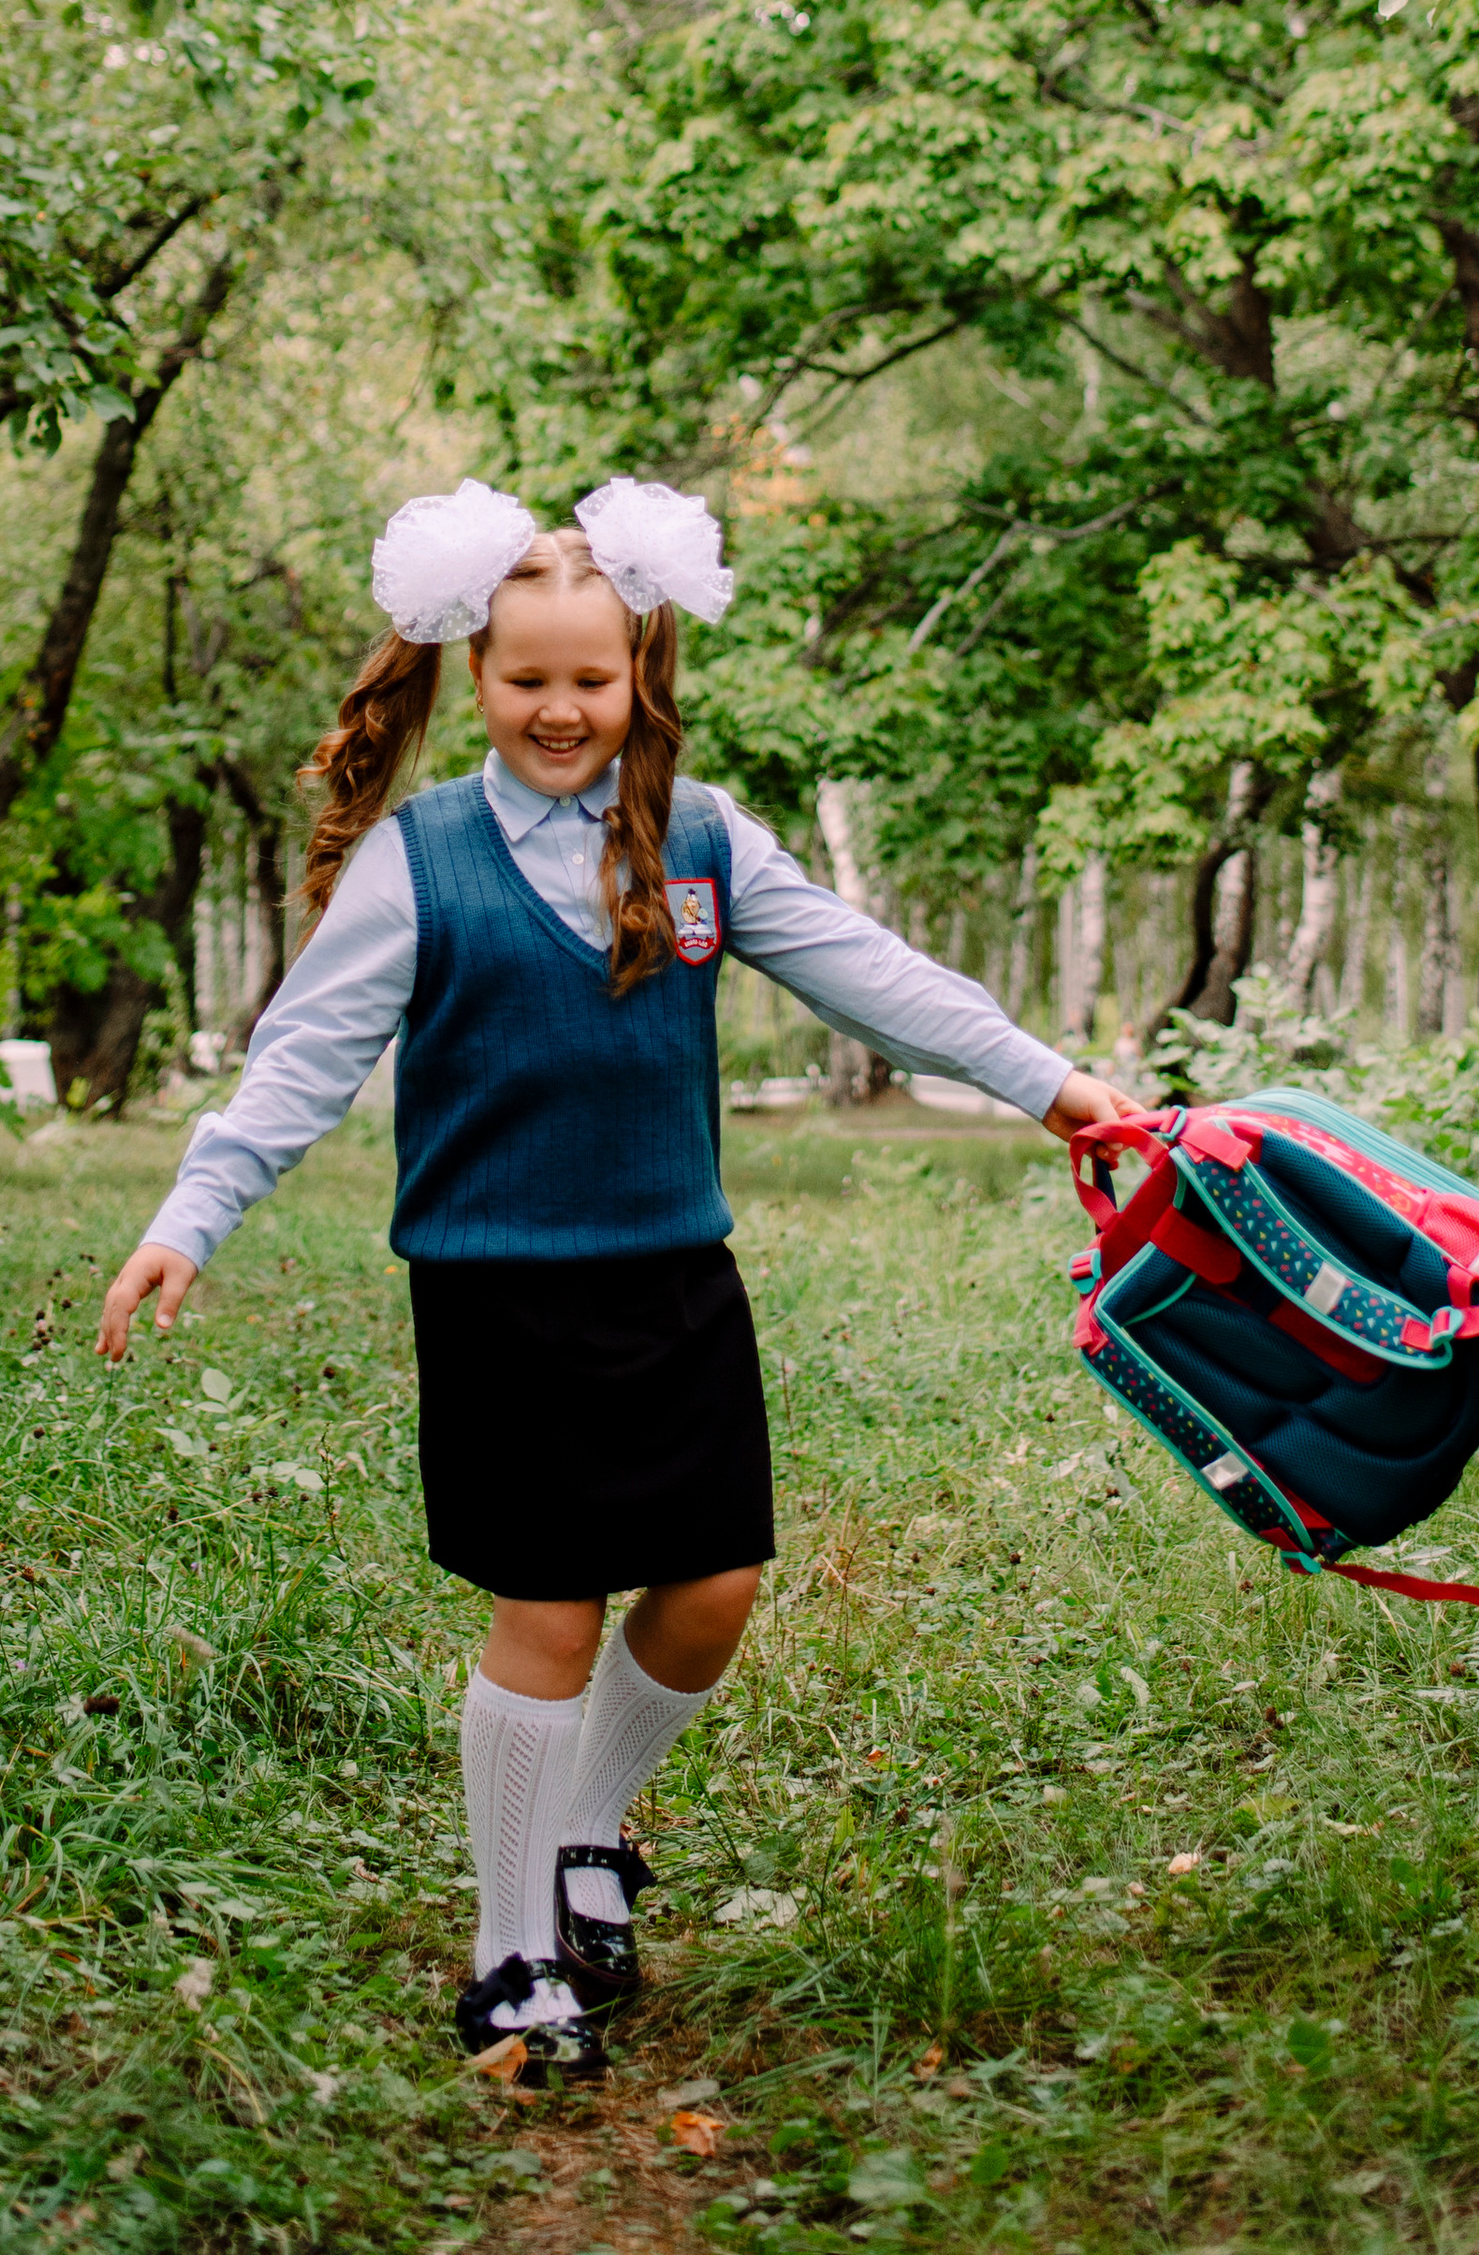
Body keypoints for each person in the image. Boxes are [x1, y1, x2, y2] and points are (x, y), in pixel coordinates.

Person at [97, 473, 1127, 2082]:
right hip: (499, 1293)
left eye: (592, 678)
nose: (560, 708)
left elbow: (876, 973)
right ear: (473, 674)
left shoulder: (703, 838)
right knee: (551, 1612)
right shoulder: (419, 858)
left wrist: (1050, 1082)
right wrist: (190, 1214)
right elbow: (298, 1060)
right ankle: (513, 1950)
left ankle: (590, 1829)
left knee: (711, 1590)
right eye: (527, 680)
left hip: (671, 1283)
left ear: (640, 671)